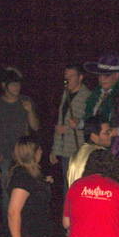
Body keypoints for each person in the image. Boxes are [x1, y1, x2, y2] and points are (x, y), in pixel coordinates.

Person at [0, 66, 40, 221]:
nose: (17, 87)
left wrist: (30, 111)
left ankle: (26, 223)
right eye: (13, 84)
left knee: (28, 189)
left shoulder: (26, 101)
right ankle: (8, 226)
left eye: (18, 84)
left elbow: (35, 127)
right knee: (7, 191)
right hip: (5, 153)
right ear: (4, 85)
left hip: (25, 154)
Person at [83, 52, 119, 161]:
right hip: (95, 151)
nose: (102, 79)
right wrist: (81, 124)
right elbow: (92, 122)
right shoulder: (96, 96)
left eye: (106, 75)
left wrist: (117, 131)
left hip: (116, 153)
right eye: (100, 75)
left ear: (117, 75)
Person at [49, 64, 91, 194]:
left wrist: (67, 128)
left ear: (80, 77)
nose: (67, 80)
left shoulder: (87, 96)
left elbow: (90, 123)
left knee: (77, 187)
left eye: (71, 76)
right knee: (67, 187)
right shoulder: (65, 94)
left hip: (79, 150)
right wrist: (55, 150)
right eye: (66, 76)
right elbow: (60, 122)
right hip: (65, 150)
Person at [66, 116, 113, 188]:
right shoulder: (100, 155)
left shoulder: (79, 152)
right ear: (94, 136)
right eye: (107, 133)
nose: (111, 135)